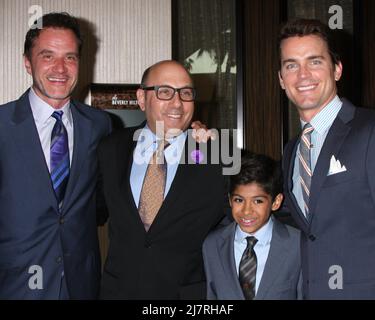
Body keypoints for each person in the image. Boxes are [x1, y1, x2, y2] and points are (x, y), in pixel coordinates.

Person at [0, 12, 112, 299]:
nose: (60, 68)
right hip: (14, 287)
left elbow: (103, 199)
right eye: (48, 56)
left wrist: (193, 143)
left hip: (80, 286)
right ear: (27, 62)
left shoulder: (100, 125)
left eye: (70, 57)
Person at [97, 60, 228, 299]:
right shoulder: (111, 149)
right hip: (118, 292)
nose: (177, 103)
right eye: (165, 92)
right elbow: (90, 213)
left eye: (186, 93)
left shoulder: (218, 154)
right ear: (141, 97)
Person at [280, 19, 375, 299]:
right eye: (291, 65)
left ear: (337, 69)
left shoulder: (369, 131)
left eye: (315, 61)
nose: (303, 75)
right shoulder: (291, 151)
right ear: (281, 79)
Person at [203, 151, 301, 300]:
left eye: (258, 201)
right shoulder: (212, 245)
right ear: (230, 200)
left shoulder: (297, 245)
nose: (246, 211)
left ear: (276, 202)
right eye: (239, 200)